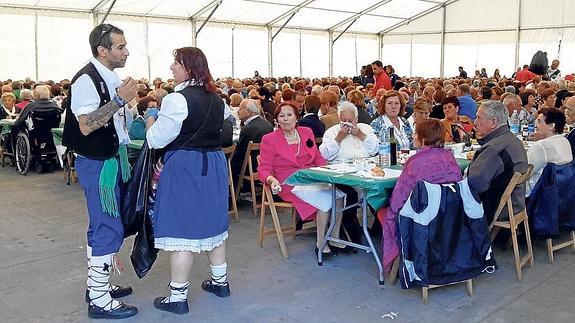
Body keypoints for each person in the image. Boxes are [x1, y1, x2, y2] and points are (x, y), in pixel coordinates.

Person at [145, 47, 230, 315]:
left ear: (189, 68)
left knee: (182, 231)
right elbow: (227, 123)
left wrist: (150, 121)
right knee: (213, 226)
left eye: (176, 63)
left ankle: (178, 298)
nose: (171, 68)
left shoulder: (176, 100)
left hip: (185, 165)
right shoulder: (219, 100)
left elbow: (156, 140)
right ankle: (220, 283)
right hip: (214, 164)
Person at [61, 24, 138, 319]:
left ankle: (97, 286)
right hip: (98, 164)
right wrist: (119, 100)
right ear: (102, 51)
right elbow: (85, 124)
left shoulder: (108, 76)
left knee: (100, 226)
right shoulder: (86, 80)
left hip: (110, 159)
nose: (126, 51)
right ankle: (99, 299)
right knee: (109, 226)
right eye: (120, 47)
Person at [259, 102, 343, 257]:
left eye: (289, 115)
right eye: (281, 116)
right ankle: (321, 243)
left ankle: (334, 237)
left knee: (338, 196)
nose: (285, 119)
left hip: (312, 177)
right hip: (288, 182)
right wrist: (272, 180)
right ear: (277, 119)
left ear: (296, 117)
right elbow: (264, 169)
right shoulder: (269, 139)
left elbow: (317, 157)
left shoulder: (306, 132)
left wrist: (328, 172)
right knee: (323, 199)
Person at [381, 118, 462, 273]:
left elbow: (399, 199)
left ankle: (399, 262)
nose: (413, 137)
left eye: (415, 134)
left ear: (423, 139)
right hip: (451, 216)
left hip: (423, 220)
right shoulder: (449, 157)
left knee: (385, 211)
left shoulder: (415, 162)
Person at [319, 101, 378, 245]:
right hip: (341, 173)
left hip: (366, 171)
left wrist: (360, 135)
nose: (347, 124)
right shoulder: (332, 132)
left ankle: (378, 227)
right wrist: (338, 138)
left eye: (350, 121)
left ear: (356, 120)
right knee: (351, 194)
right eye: (343, 121)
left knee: (379, 191)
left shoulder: (366, 128)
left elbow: (375, 149)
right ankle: (351, 231)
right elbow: (325, 155)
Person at [467, 101, 528, 223]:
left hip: (495, 209)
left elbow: (474, 185)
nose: (475, 122)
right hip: (515, 204)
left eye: (479, 117)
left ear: (493, 123)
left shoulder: (494, 149)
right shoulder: (513, 140)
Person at [525, 108, 572, 196]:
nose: (536, 125)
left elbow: (524, 173)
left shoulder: (541, 147)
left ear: (551, 126)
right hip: (563, 193)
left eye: (539, 121)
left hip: (538, 195)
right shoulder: (565, 141)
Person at [231, 98, 273, 188]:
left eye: (240, 108)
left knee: (230, 161)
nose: (238, 111)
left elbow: (240, 153)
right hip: (266, 162)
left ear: (248, 112)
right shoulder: (267, 124)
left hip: (252, 166)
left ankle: (233, 191)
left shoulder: (248, 129)